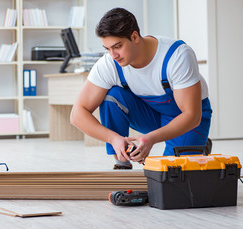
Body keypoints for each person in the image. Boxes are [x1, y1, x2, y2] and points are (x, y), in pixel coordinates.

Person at [70, 7, 212, 169]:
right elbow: (77, 114)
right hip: (151, 114)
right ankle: (122, 162)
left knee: (172, 176)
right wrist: (113, 138)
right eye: (107, 49)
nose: (113, 55)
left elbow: (192, 116)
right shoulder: (109, 64)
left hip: (187, 118)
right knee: (112, 96)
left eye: (117, 46)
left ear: (135, 37)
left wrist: (150, 138)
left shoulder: (177, 55)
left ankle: (198, 144)